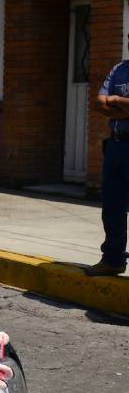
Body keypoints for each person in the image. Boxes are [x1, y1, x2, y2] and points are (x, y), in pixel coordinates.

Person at [85, 48, 129, 276]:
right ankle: (113, 259)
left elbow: (108, 101)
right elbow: (98, 103)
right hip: (116, 145)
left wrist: (116, 99)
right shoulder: (118, 70)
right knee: (112, 205)